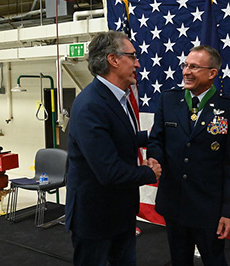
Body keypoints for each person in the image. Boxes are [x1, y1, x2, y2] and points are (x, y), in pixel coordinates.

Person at [65, 31, 162, 266]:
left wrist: (153, 137)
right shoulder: (91, 105)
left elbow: (118, 136)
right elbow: (109, 171)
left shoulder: (117, 97)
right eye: (133, 56)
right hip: (95, 220)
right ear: (113, 59)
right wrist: (150, 173)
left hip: (119, 214)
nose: (138, 64)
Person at [147, 45, 230, 265]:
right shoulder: (168, 100)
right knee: (179, 260)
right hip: (174, 203)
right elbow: (157, 139)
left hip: (209, 208)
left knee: (214, 260)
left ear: (212, 73)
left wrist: (229, 212)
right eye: (185, 65)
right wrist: (155, 157)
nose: (186, 71)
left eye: (194, 67)